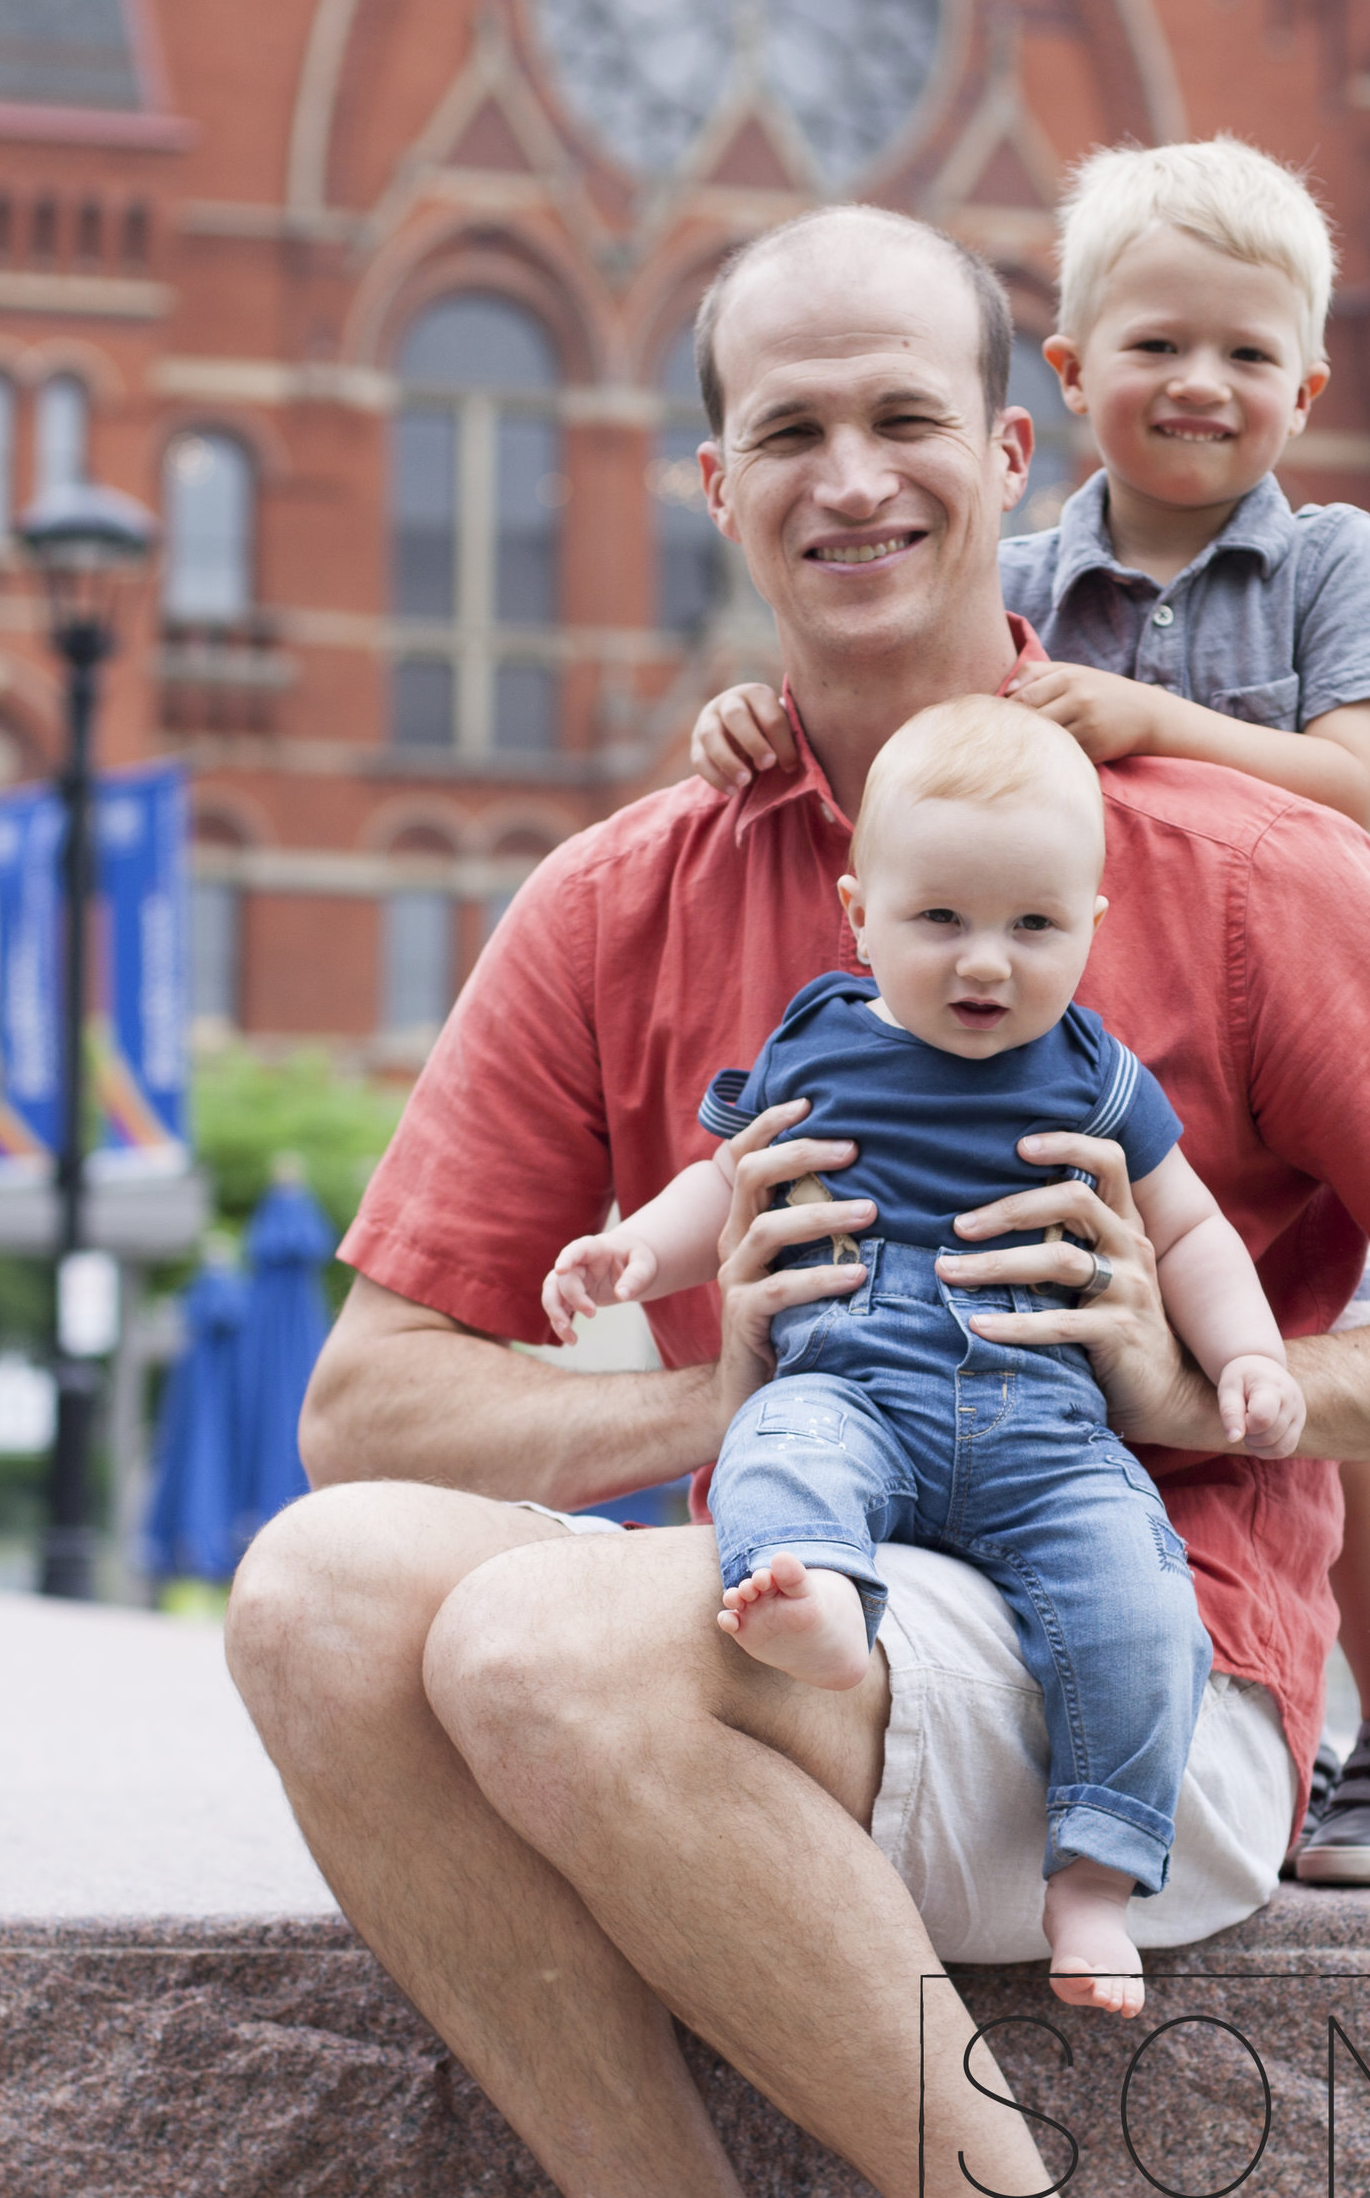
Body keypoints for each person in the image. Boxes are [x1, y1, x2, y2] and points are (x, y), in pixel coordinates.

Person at [226, 204, 1370, 2198]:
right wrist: (713, 1386)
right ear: (712, 483)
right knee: (316, 1592)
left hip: (1151, 1689)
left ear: (1008, 456)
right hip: (799, 1638)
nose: (851, 478)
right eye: (786, 430)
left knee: (562, 1650)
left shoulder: (1230, 862)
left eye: (903, 417)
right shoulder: (619, 892)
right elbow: (365, 1401)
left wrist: (1203, 1379)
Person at [692, 135, 1370, 1886]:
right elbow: (934, 706)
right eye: (1155, 346)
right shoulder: (1027, 567)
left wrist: (1150, 723)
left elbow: (1347, 788)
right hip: (1062, 1006)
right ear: (1065, 378)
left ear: (1306, 383)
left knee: (1339, 1403)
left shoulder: (1333, 560)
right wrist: (757, 715)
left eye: (1247, 355)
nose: (1200, 384)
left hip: (1325, 1019)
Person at [545, 690, 1304, 2013]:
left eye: (1033, 926)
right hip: (858, 1380)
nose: (986, 964)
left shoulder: (1096, 1073)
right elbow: (720, 1178)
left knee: (1138, 1601)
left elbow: (1191, 1235)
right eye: (940, 919)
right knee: (777, 1448)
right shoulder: (822, 1042)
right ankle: (823, 1606)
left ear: (1092, 926)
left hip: (1047, 1422)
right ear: (860, 913)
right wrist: (634, 1255)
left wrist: (1247, 1356)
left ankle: (1094, 1878)